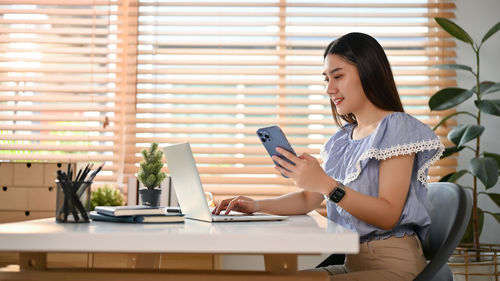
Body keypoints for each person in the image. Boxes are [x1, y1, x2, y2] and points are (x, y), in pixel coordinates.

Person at [213, 32, 444, 281]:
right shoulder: (343, 139)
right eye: (326, 79)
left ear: (368, 71)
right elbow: (307, 199)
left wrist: (325, 183)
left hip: (395, 267)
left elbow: (388, 215)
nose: (329, 89)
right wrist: (257, 206)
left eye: (338, 76)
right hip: (353, 264)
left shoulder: (397, 128)